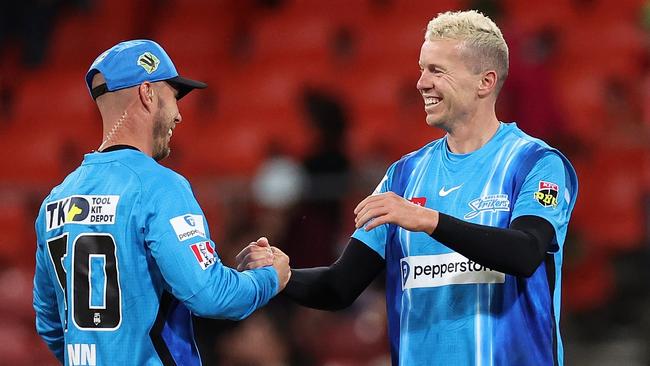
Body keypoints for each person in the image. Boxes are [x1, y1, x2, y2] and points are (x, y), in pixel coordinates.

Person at [237, 10, 578, 366]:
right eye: (421, 68)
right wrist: (282, 276)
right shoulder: (403, 175)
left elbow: (524, 254)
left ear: (485, 82)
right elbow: (341, 285)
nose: (421, 82)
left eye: (437, 70)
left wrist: (427, 219)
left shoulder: (536, 163)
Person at [32, 39, 290, 366]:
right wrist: (270, 278)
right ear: (147, 93)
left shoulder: (56, 199)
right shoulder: (159, 186)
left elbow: (51, 321)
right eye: (173, 96)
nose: (179, 115)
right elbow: (209, 294)